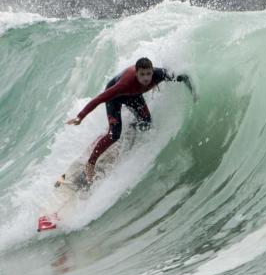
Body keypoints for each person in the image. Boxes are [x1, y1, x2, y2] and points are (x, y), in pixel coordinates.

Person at [66, 57, 194, 183]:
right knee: (114, 134)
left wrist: (193, 92)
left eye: (148, 73)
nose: (146, 78)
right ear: (136, 73)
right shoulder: (125, 83)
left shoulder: (159, 74)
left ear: (152, 71)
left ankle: (125, 135)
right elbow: (99, 99)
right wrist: (80, 117)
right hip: (115, 98)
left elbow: (181, 77)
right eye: (142, 74)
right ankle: (90, 165)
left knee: (146, 123)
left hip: (134, 96)